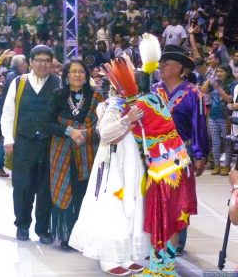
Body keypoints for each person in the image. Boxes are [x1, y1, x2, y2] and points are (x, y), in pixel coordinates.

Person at [100, 57, 192, 276]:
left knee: (162, 218)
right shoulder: (156, 97)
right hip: (179, 164)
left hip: (164, 170)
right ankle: (166, 265)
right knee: (174, 217)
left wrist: (105, 108)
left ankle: (161, 269)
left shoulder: (137, 106)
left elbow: (107, 132)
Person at [69, 87, 148, 276]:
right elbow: (105, 134)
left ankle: (126, 255)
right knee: (113, 206)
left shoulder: (135, 103)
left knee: (131, 205)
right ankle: (108, 257)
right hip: (113, 164)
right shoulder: (113, 105)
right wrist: (128, 119)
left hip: (132, 163)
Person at [152, 45, 210, 256]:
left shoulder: (193, 93)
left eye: (166, 64)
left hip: (181, 152)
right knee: (158, 197)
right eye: (161, 63)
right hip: (156, 153)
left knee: (179, 198)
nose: (162, 67)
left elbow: (199, 124)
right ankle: (158, 240)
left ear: (180, 68)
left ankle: (177, 243)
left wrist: (200, 154)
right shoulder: (154, 90)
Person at [1, 45, 60, 244]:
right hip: (23, 143)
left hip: (49, 144)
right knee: (22, 187)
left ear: (52, 62)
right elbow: (8, 113)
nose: (43, 64)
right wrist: (8, 139)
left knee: (46, 188)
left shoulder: (58, 83)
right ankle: (22, 225)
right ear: (31, 62)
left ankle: (43, 229)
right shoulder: (19, 82)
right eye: (38, 60)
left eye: (47, 60)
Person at [46, 59, 104, 249]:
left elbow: (104, 123)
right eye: (73, 71)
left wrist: (86, 133)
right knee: (65, 191)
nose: (77, 75)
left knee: (85, 192)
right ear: (66, 75)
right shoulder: (57, 95)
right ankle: (66, 235)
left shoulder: (96, 96)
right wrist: (70, 131)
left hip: (89, 153)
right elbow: (48, 124)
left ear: (86, 76)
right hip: (62, 153)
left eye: (81, 71)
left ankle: (85, 236)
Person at [0, 55, 28, 177]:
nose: (26, 65)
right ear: (19, 64)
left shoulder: (9, 74)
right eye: (24, 63)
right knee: (6, 137)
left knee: (6, 137)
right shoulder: (14, 77)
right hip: (10, 110)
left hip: (4, 108)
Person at [201, 64, 235, 176]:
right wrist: (210, 79)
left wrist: (218, 89)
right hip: (213, 116)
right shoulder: (215, 83)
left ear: (227, 72)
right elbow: (203, 90)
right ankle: (216, 165)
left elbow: (230, 99)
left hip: (226, 117)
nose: (219, 74)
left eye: (221, 71)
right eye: (217, 72)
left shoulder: (232, 84)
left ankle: (226, 165)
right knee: (215, 142)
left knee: (227, 142)